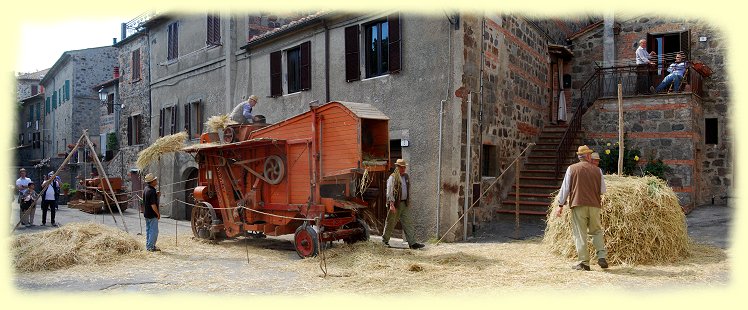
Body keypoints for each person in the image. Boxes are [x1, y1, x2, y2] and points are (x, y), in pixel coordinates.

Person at [555, 145, 608, 271]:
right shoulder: (597, 170)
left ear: (580, 157)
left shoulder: (571, 169)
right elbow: (603, 190)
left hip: (578, 204)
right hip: (594, 205)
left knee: (580, 233)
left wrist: (560, 205)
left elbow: (565, 188)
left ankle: (584, 262)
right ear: (588, 156)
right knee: (596, 231)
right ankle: (601, 255)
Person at [382, 159, 425, 250]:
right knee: (391, 222)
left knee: (408, 222)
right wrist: (391, 204)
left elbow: (407, 190)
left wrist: (408, 201)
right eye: (402, 167)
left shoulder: (406, 176)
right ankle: (384, 241)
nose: (404, 169)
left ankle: (412, 243)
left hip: (404, 204)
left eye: (404, 167)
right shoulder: (392, 177)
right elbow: (389, 191)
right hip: (395, 204)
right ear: (397, 167)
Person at [142, 173, 161, 252]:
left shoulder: (146, 189)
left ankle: (148, 245)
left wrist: (157, 196)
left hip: (146, 213)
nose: (156, 181)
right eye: (155, 180)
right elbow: (153, 204)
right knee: (154, 231)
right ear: (152, 181)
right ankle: (151, 247)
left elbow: (148, 200)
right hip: (152, 214)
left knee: (149, 230)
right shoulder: (152, 191)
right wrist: (157, 213)